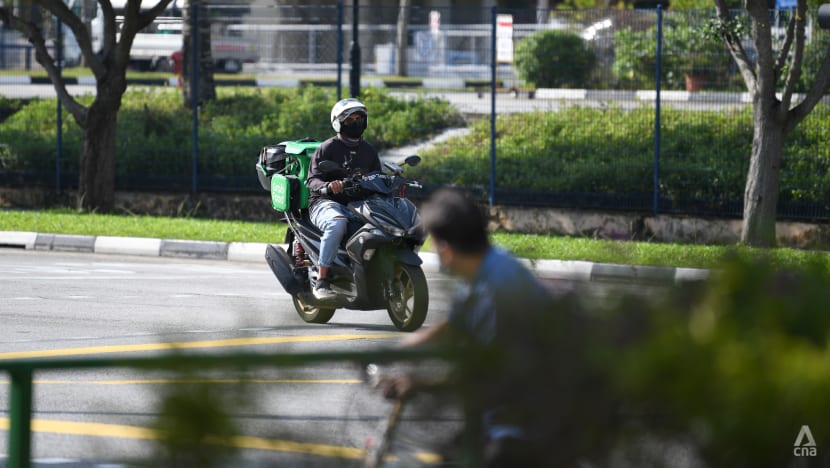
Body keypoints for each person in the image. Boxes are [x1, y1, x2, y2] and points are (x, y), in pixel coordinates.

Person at [376, 187, 558, 467]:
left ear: (446, 248)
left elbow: (480, 377)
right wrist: (399, 349)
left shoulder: (497, 293)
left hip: (526, 426)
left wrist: (417, 384)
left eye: (434, 244)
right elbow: (454, 324)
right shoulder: (485, 266)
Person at [306, 98, 381, 300]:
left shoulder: (369, 151)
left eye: (360, 118)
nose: (356, 123)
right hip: (325, 203)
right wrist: (328, 186)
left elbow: (378, 178)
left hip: (358, 204)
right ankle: (322, 280)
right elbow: (312, 180)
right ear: (338, 123)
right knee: (337, 224)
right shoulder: (327, 148)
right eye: (350, 119)